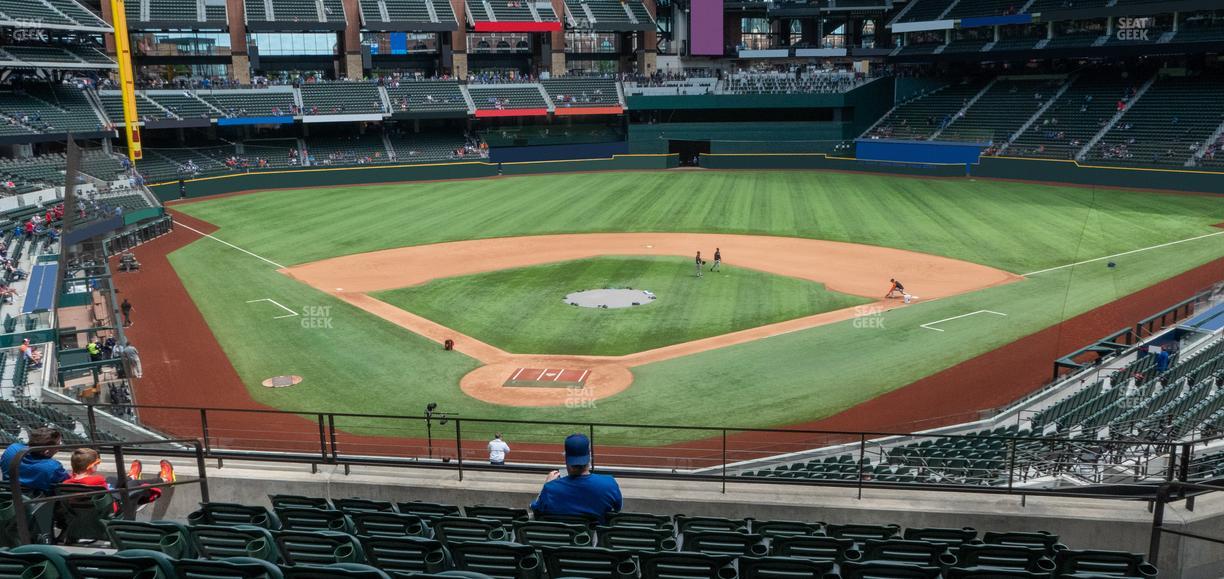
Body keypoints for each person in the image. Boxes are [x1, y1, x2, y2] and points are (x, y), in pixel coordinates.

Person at [529, 433, 622, 524]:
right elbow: (617, 509)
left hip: (564, 538)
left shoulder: (550, 489)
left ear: (566, 457)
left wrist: (547, 485)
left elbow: (535, 510)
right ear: (589, 456)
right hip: (596, 537)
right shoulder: (609, 484)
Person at [61, 448, 174, 511]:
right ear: (90, 467)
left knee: (111, 478)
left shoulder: (66, 483)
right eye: (97, 463)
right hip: (110, 507)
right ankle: (164, 479)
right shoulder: (97, 481)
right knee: (133, 484)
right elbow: (110, 496)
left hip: (84, 512)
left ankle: (131, 476)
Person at [0, 427, 69, 495]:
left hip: (9, 496)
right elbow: (68, 483)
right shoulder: (53, 467)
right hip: (37, 503)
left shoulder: (12, 449)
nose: (59, 448)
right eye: (58, 445)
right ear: (46, 452)